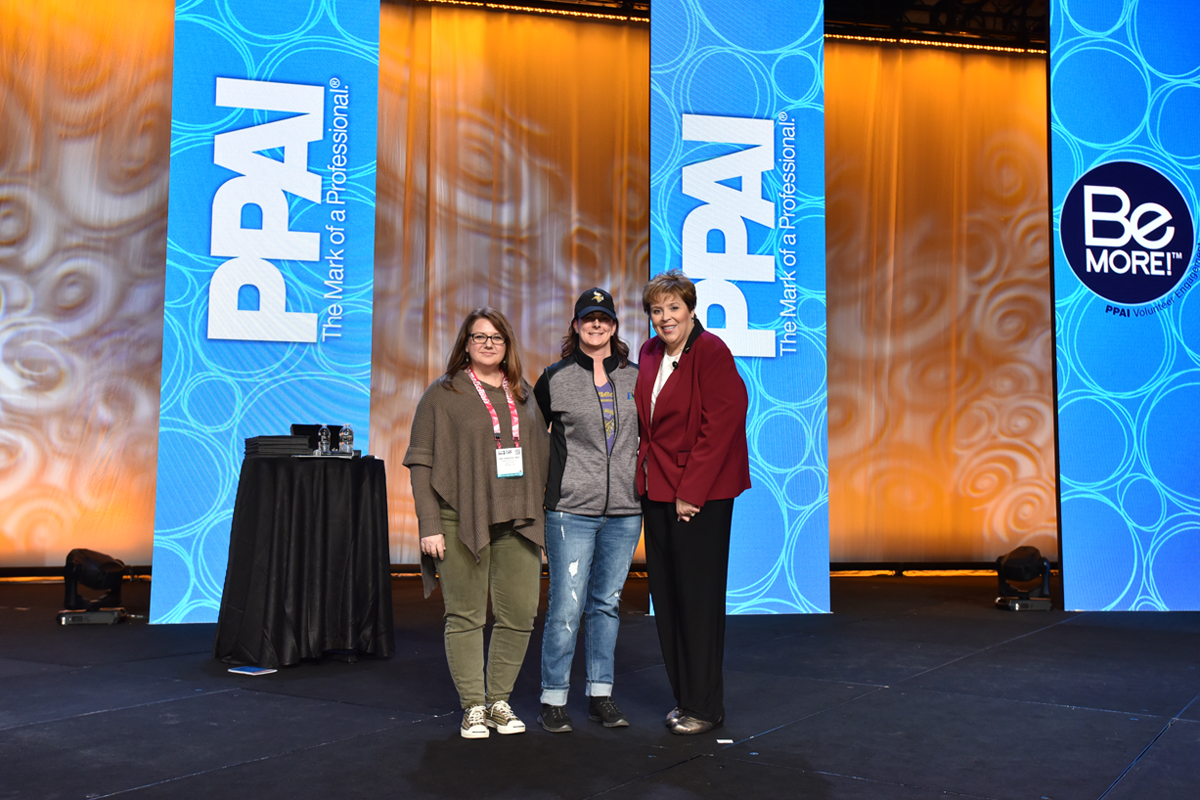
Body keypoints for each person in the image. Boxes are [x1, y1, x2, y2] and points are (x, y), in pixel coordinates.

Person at [404, 307, 549, 740]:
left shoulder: (523, 393)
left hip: (518, 519)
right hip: (458, 518)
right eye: (479, 337)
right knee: (465, 615)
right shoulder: (443, 393)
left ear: (507, 346)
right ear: (466, 345)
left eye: (496, 337)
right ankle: (473, 706)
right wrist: (429, 523)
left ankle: (499, 701)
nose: (488, 344)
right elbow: (420, 462)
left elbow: (541, 454)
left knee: (520, 614)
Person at [634, 270, 750, 735]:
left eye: (673, 308)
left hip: (699, 494)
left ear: (690, 309)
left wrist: (690, 491)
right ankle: (685, 699)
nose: (665, 318)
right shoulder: (649, 352)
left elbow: (722, 423)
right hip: (656, 488)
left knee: (697, 601)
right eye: (656, 310)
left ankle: (704, 707)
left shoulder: (712, 351)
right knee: (668, 598)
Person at [533, 287, 641, 734]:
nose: (596, 324)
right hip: (570, 511)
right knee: (566, 606)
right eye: (588, 318)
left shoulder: (638, 377)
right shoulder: (553, 378)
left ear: (614, 326)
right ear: (576, 325)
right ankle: (553, 697)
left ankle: (601, 695)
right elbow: (533, 443)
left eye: (604, 318)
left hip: (626, 511)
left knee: (607, 604)